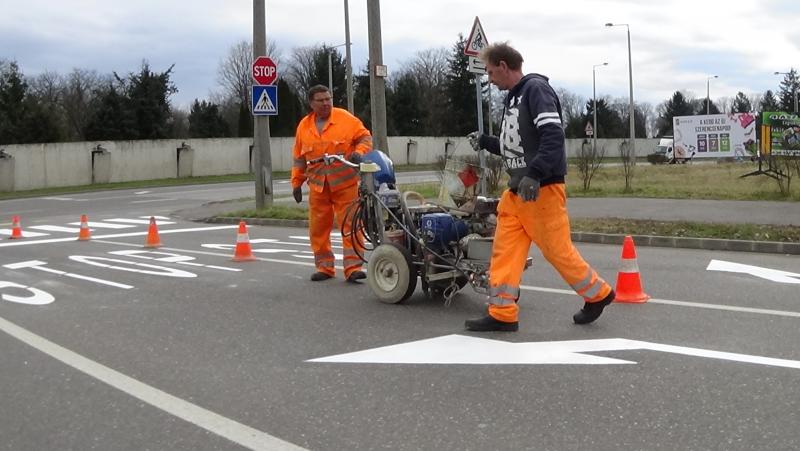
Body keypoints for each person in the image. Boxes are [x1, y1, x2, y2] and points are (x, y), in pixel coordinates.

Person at [464, 42, 615, 332]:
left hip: (541, 190)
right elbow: (516, 147)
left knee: (558, 252)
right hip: (518, 192)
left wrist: (534, 174)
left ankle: (598, 294)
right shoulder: (514, 98)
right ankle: (502, 312)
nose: (490, 80)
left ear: (505, 66)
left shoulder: (535, 90)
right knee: (504, 252)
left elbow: (553, 136)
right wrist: (485, 141)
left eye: (492, 73)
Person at [291, 85, 373, 282]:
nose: (326, 103)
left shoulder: (345, 119)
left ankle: (353, 268)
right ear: (311, 103)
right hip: (319, 186)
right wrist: (296, 182)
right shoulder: (304, 126)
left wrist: (359, 153)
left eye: (328, 99)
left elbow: (365, 137)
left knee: (352, 226)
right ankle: (325, 268)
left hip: (345, 184)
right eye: (321, 100)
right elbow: (299, 158)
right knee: (318, 229)